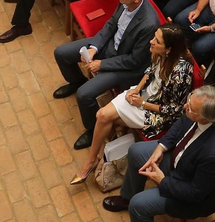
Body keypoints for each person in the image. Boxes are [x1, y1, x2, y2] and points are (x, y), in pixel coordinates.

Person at [104, 86, 215, 222]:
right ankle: (127, 196)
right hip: (182, 162)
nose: (185, 107)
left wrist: (162, 181)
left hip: (192, 194)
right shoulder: (205, 110)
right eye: (189, 100)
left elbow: (195, 193)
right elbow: (181, 123)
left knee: (139, 205)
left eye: (190, 107)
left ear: (203, 118)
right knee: (136, 152)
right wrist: (161, 147)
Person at [73, 24, 196, 186]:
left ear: (169, 49)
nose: (151, 42)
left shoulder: (181, 73)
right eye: (154, 37)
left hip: (157, 113)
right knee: (102, 115)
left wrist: (143, 103)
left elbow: (174, 110)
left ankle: (91, 161)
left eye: (157, 41)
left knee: (104, 117)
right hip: (144, 94)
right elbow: (150, 71)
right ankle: (98, 154)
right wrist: (137, 90)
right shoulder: (160, 54)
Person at [55, 0, 161, 149]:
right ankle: (76, 80)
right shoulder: (125, 2)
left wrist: (101, 64)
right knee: (61, 53)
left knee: (84, 94)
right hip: (110, 47)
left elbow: (134, 61)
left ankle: (92, 129)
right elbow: (111, 24)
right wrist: (94, 48)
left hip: (126, 67)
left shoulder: (149, 24)